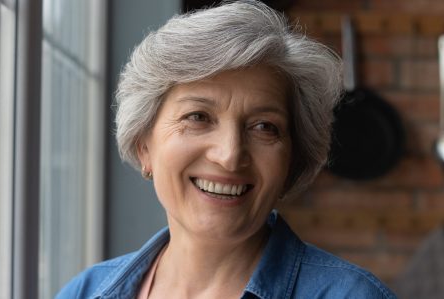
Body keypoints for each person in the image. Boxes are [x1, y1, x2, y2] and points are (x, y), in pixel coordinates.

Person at [56, 1, 396, 298]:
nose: (230, 154)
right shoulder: (84, 292)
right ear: (144, 146)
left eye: (264, 127)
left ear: (291, 164)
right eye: (198, 117)